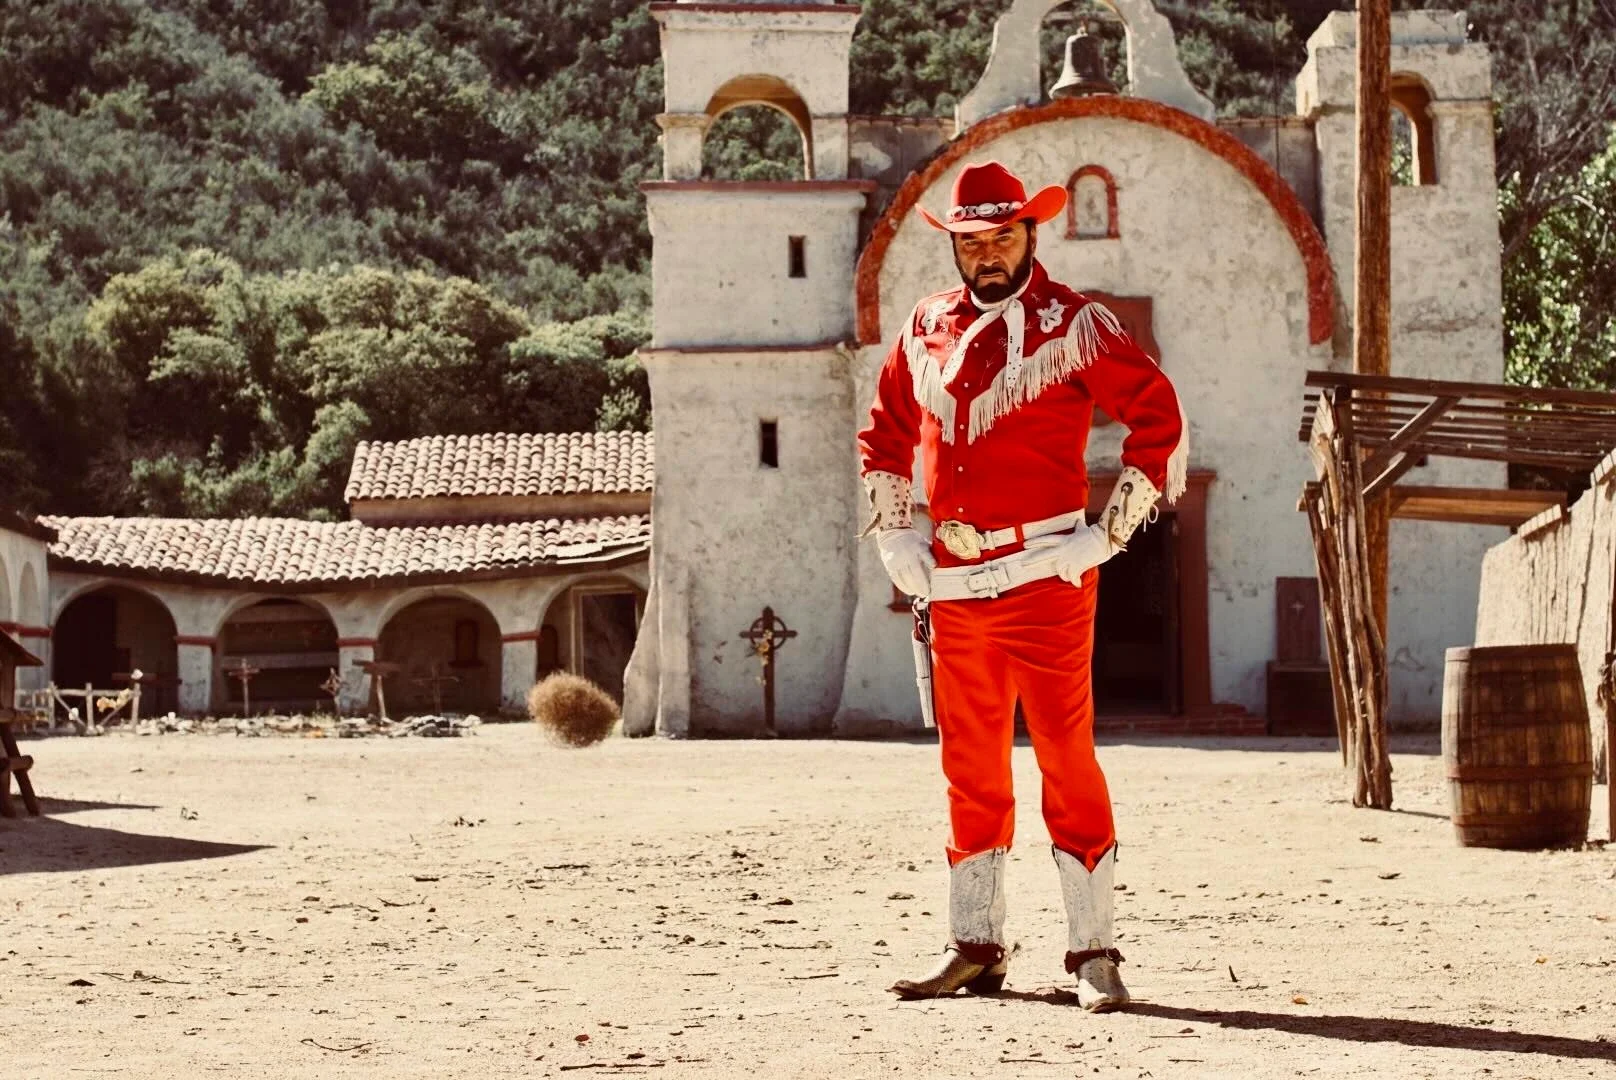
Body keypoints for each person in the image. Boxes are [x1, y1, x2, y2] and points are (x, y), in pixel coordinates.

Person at [857, 160, 1188, 1011]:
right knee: (968, 766)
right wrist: (898, 533)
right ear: (957, 247)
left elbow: (1157, 413)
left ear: (1031, 235)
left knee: (1065, 757)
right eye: (973, 241)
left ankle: (1093, 953)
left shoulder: (1077, 323)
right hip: (955, 578)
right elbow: (886, 430)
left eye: (1003, 237)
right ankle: (976, 947)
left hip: (1047, 574)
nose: (988, 254)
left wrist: (1109, 534)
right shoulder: (923, 327)